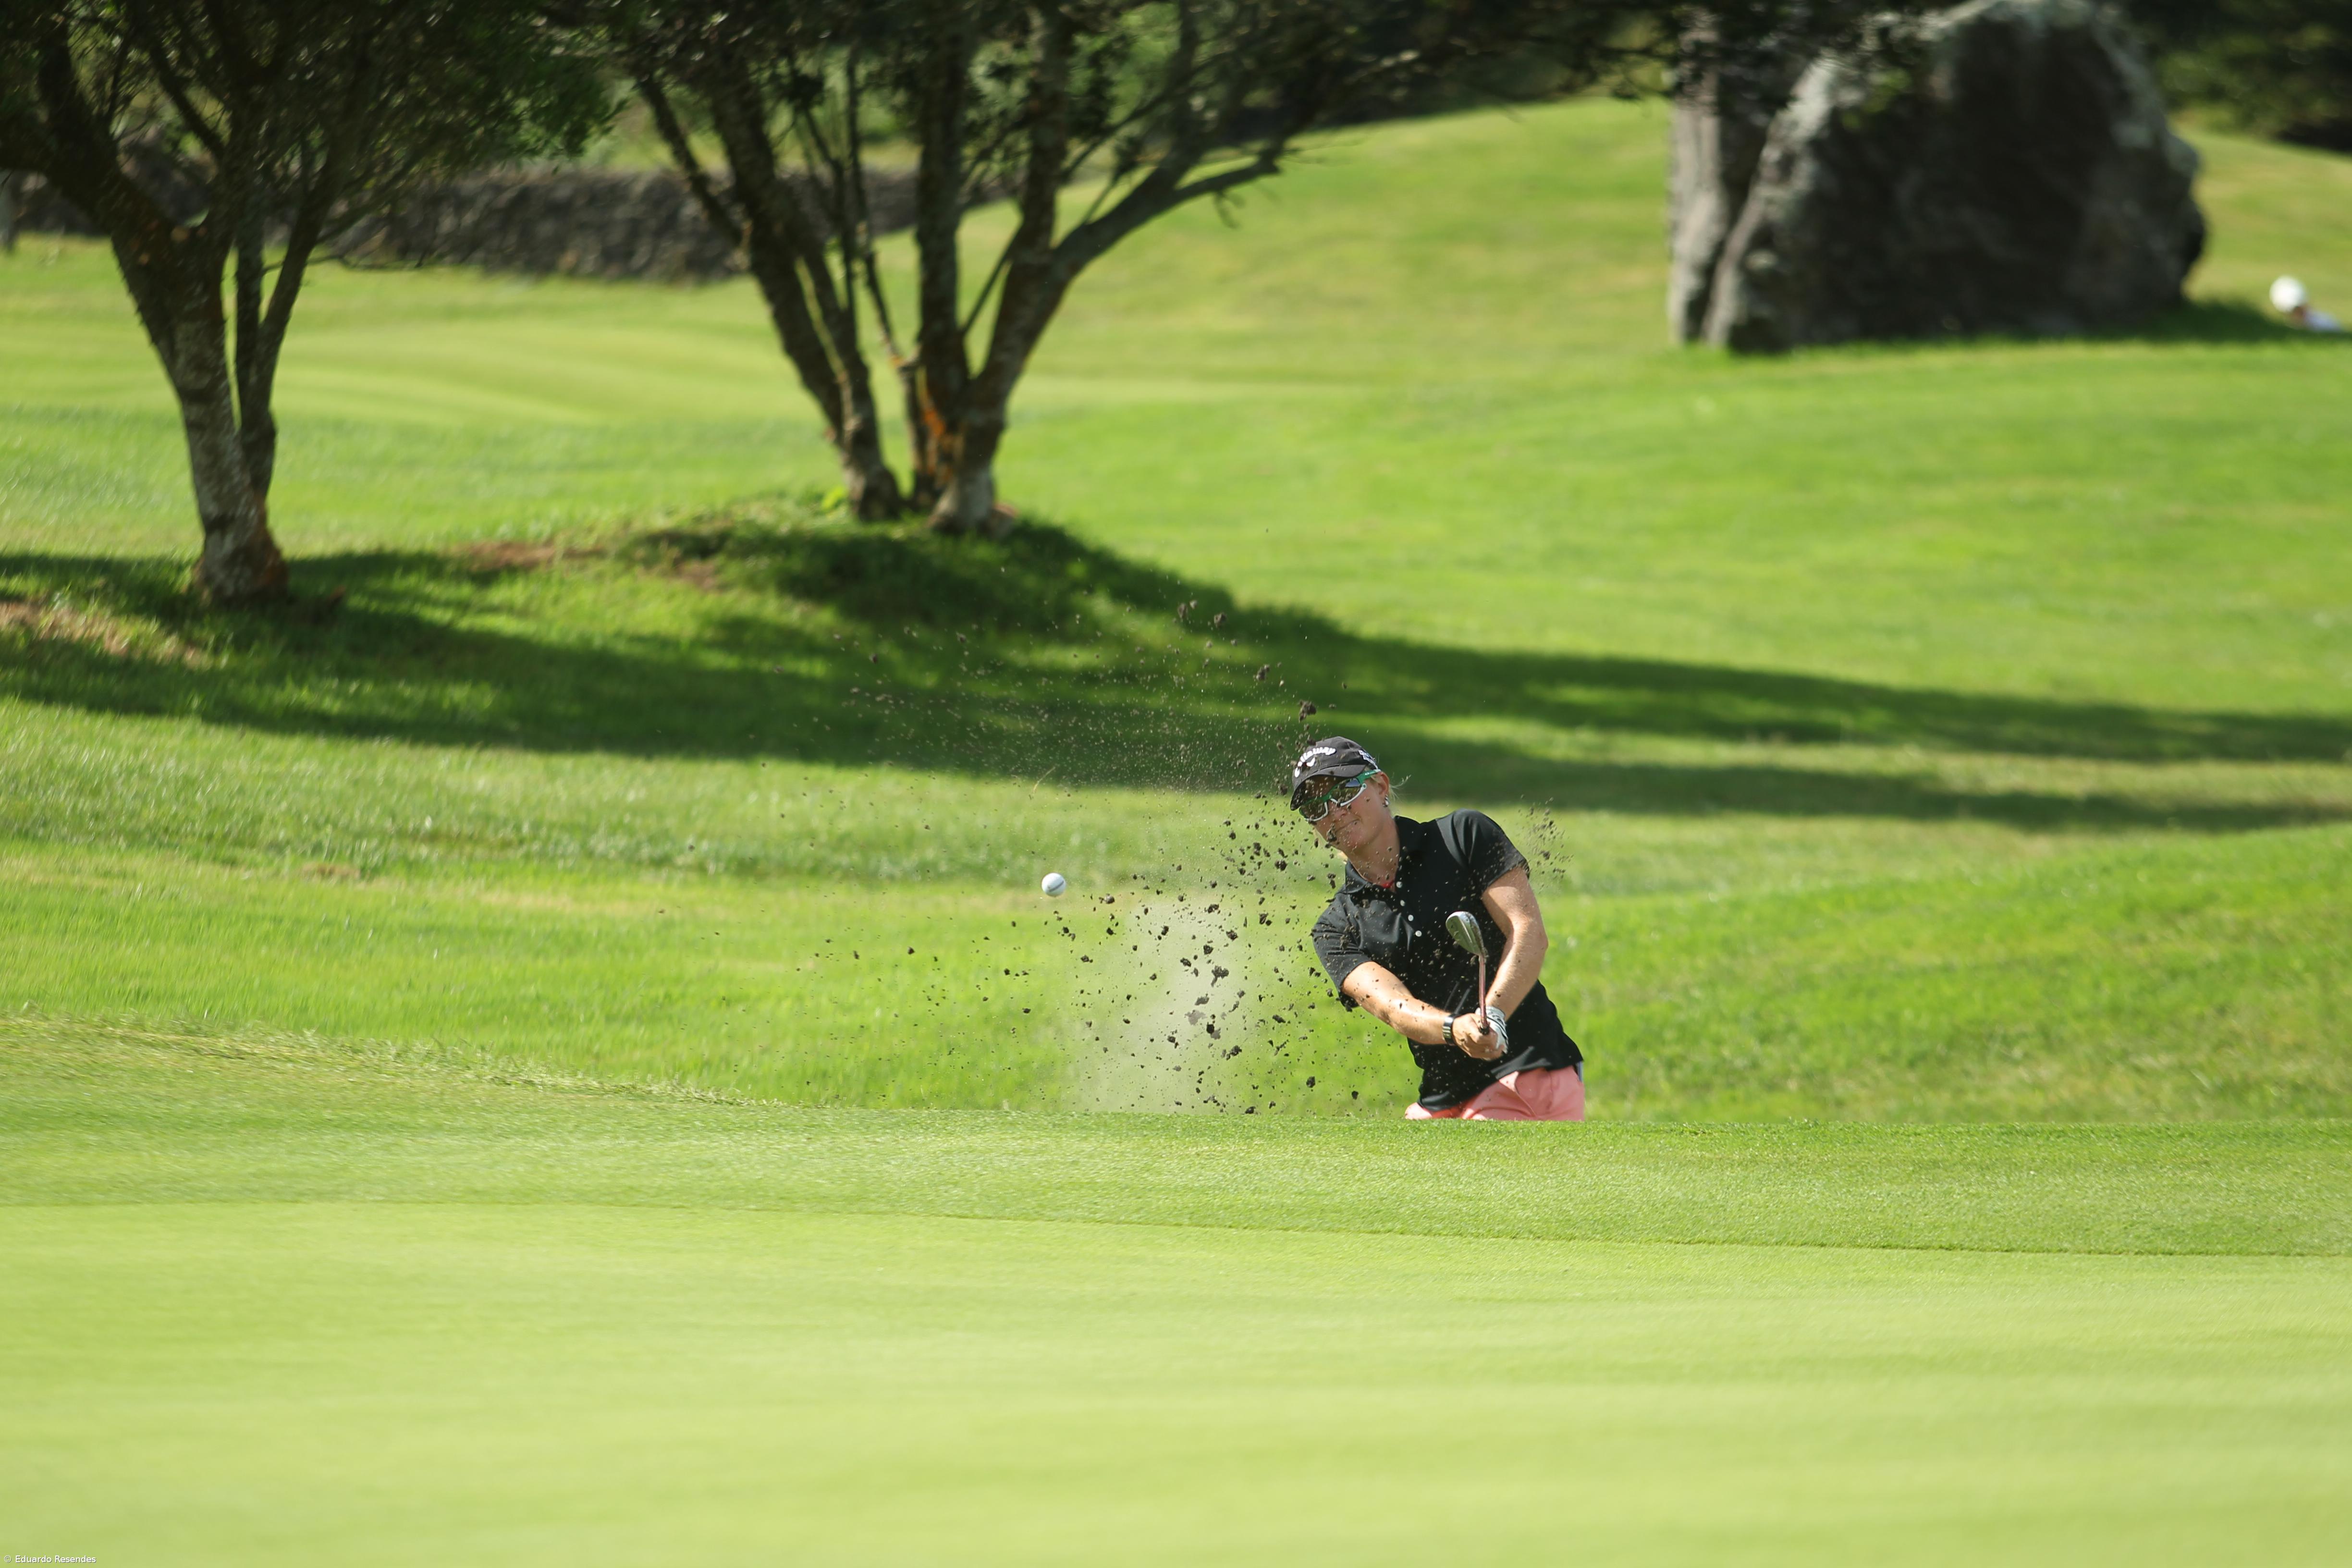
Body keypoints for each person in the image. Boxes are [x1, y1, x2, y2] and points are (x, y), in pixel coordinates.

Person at [1291, 737, 1585, 1121]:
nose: (1334, 811)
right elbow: (1392, 1006)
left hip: (1527, 1070)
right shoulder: (1337, 928)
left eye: (1344, 791)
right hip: (1443, 1094)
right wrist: (1452, 1029)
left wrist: (1492, 1015)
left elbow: (1527, 931)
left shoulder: (1463, 837)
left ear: (1380, 786)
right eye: (1316, 807)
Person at [2270, 276, 2343, 332]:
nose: (2297, 314)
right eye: (2294, 311)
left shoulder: (2326, 324)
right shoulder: (2280, 328)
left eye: (2300, 309)